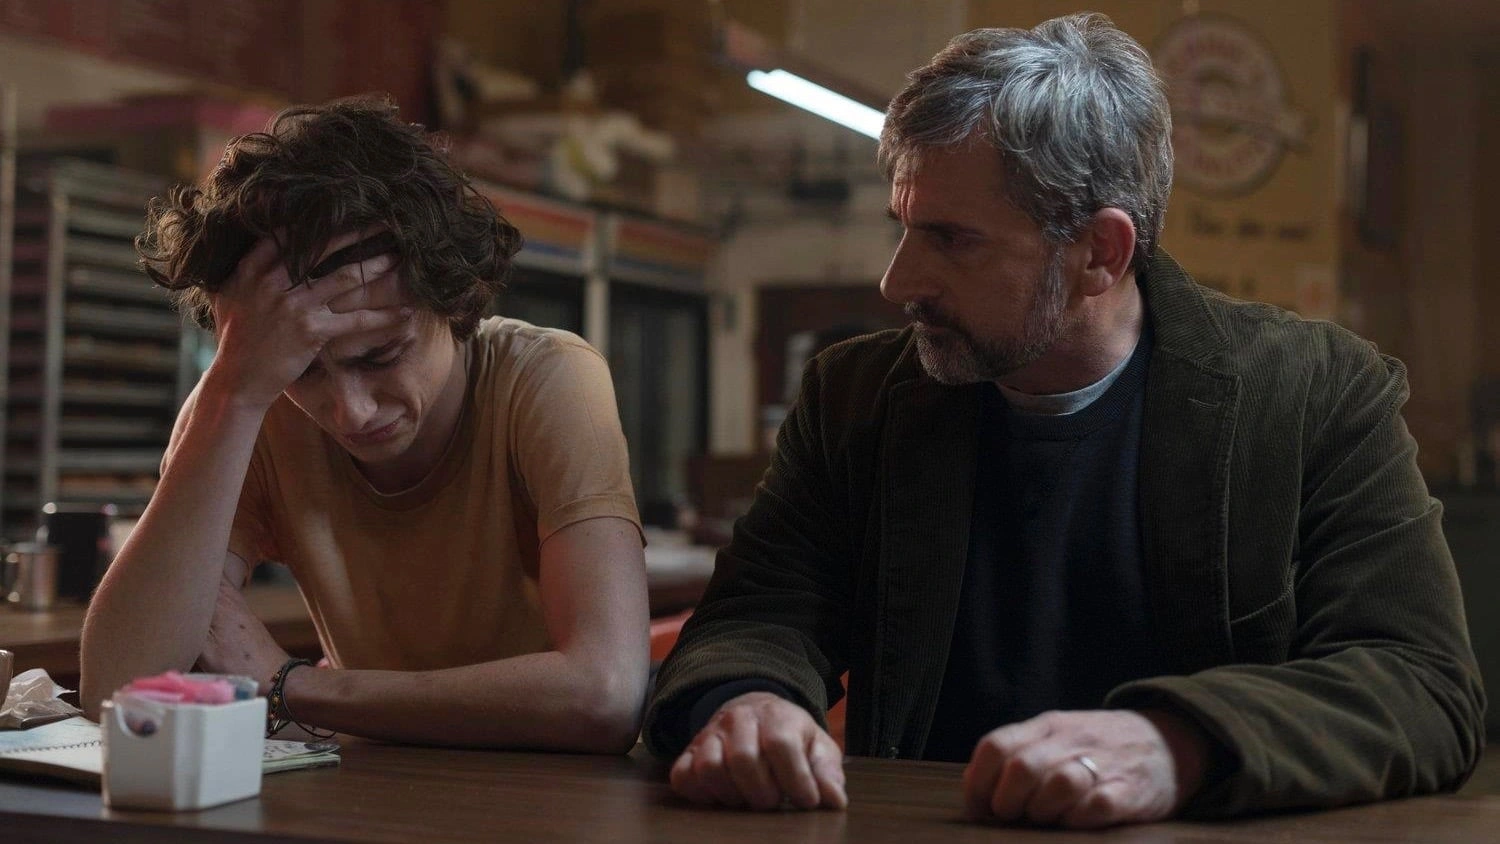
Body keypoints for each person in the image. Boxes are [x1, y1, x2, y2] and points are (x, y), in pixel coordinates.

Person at [644, 13, 1484, 826]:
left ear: (1100, 253)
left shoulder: (1317, 394)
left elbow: (1420, 683)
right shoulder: (855, 396)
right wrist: (746, 701)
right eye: (903, 227)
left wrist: (1178, 743)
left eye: (952, 239)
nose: (898, 283)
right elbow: (756, 617)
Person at [80, 97, 649, 753]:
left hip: (548, 792)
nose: (351, 412)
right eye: (305, 372)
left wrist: (292, 687)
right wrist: (233, 392)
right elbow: (116, 691)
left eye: (380, 356)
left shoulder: (545, 377)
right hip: (366, 786)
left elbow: (604, 694)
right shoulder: (246, 403)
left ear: (453, 300)